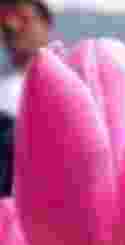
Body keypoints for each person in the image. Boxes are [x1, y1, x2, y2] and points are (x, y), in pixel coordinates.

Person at [0, 0, 50, 196]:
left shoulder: (72, 86)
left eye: (22, 18)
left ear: (45, 25)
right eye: (4, 21)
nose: (12, 26)